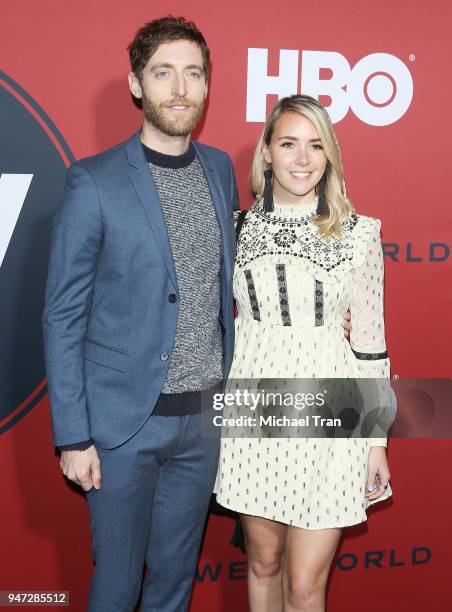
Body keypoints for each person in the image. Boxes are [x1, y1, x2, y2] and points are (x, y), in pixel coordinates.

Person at [42, 16, 240, 612]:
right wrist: (73, 435)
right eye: (163, 73)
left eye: (193, 74)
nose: (179, 89)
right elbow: (62, 316)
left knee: (175, 582)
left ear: (207, 86)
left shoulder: (222, 171)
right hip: (122, 427)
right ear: (136, 84)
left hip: (203, 424)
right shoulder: (93, 182)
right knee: (117, 584)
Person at [214, 95, 393, 612]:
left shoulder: (360, 234)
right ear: (266, 153)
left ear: (330, 155)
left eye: (316, 145)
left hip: (332, 414)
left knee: (304, 586)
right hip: (253, 410)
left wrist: (375, 440)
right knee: (263, 565)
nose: (302, 158)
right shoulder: (235, 228)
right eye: (288, 143)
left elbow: (371, 345)